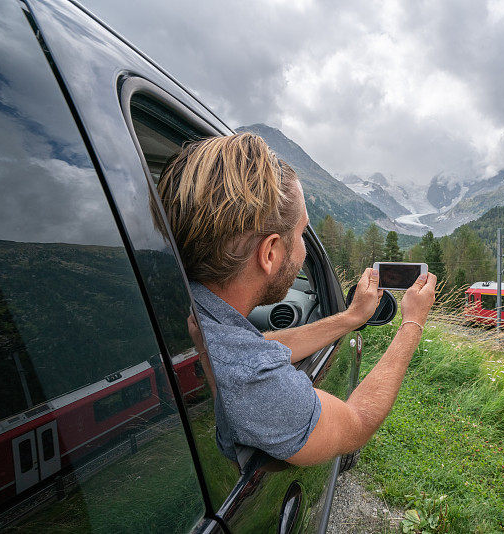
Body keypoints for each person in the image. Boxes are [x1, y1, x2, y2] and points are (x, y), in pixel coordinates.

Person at [157, 133, 436, 466]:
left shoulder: (201, 311)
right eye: (302, 232)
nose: (304, 248)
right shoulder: (258, 382)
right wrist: (413, 323)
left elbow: (257, 347)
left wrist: (351, 317)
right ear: (271, 252)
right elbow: (356, 422)